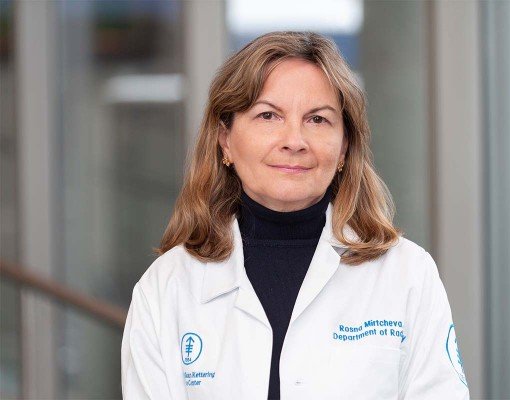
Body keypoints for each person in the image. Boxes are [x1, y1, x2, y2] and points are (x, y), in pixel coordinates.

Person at [121, 31, 470, 400]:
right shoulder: (166, 287)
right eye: (268, 115)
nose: (294, 141)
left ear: (344, 147)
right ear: (225, 140)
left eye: (317, 119)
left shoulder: (408, 274)